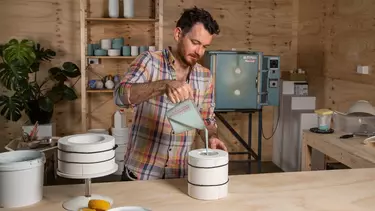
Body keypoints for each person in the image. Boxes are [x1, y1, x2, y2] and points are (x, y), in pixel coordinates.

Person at [114, 7, 227, 181]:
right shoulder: (149, 61)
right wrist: (164, 85)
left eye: (205, 46)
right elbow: (119, 95)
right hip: (141, 175)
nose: (199, 52)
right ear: (178, 34)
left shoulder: (205, 76)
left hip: (179, 177)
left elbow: (207, 119)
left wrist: (212, 137)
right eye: (195, 42)